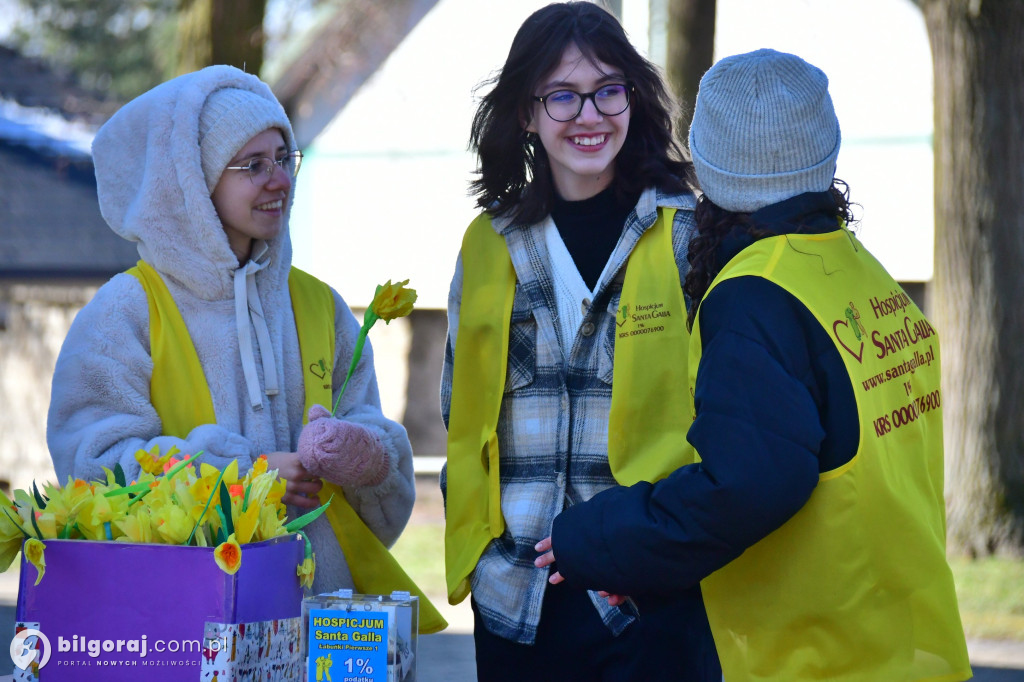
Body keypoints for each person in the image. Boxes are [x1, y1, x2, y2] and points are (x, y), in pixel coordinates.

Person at [539, 48, 972, 681]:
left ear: (708, 169)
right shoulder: (858, 272)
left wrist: (603, 540)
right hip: (902, 645)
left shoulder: (753, 295)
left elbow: (749, 483)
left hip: (812, 654)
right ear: (826, 151)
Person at [46, 65, 417, 599]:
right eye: (252, 165)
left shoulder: (320, 305)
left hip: (317, 625)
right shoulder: (124, 311)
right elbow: (91, 473)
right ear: (192, 183)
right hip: (178, 622)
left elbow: (380, 500)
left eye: (284, 159)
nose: (280, 180)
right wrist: (239, 480)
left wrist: (368, 454)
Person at [441, 3, 720, 680]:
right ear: (526, 114)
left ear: (634, 97)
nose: (589, 115)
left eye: (607, 90)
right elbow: (462, 413)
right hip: (515, 604)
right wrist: (483, 556)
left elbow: (719, 416)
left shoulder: (689, 234)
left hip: (651, 601)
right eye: (563, 95)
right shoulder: (488, 243)